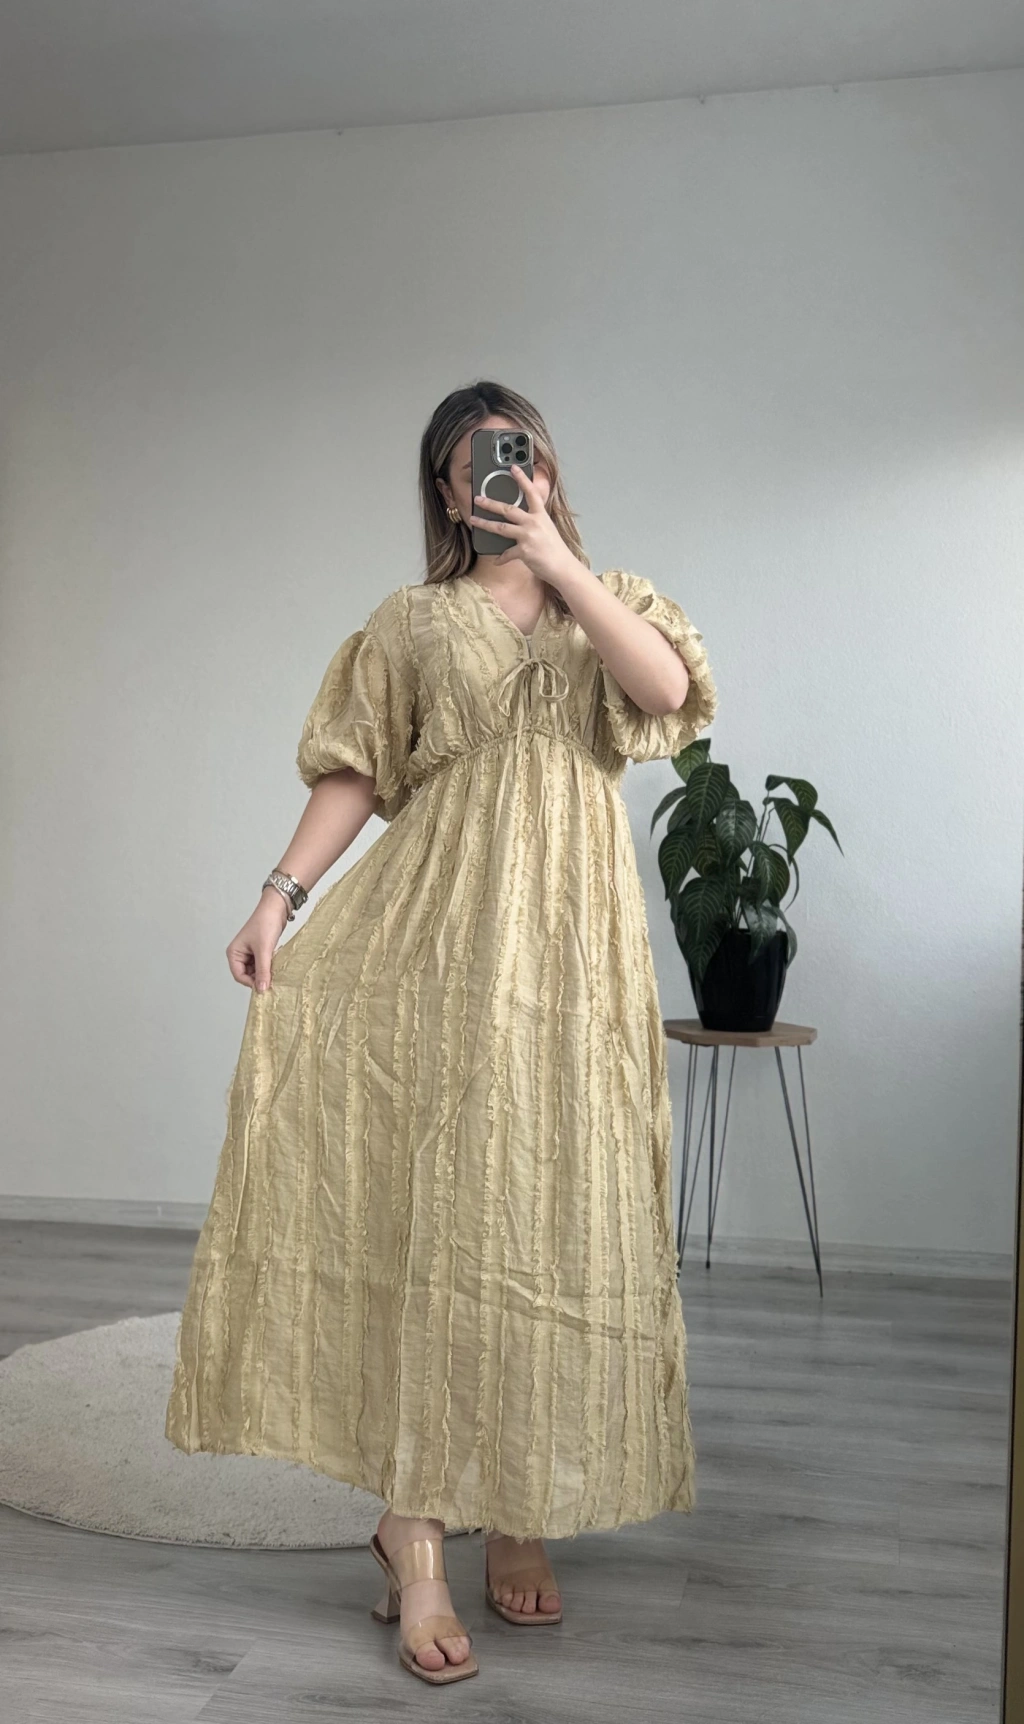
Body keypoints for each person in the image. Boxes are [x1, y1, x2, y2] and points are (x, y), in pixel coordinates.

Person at [164, 379, 720, 1686]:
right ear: (444, 488)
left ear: (549, 470)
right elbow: (359, 769)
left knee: (546, 1220)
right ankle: (415, 1537)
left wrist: (558, 563)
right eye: (477, 462)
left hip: (570, 968)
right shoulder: (410, 624)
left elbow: (667, 691)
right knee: (437, 1224)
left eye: (522, 455)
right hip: (439, 951)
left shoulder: (610, 600)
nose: (504, 475)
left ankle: (519, 1505)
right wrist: (278, 896)